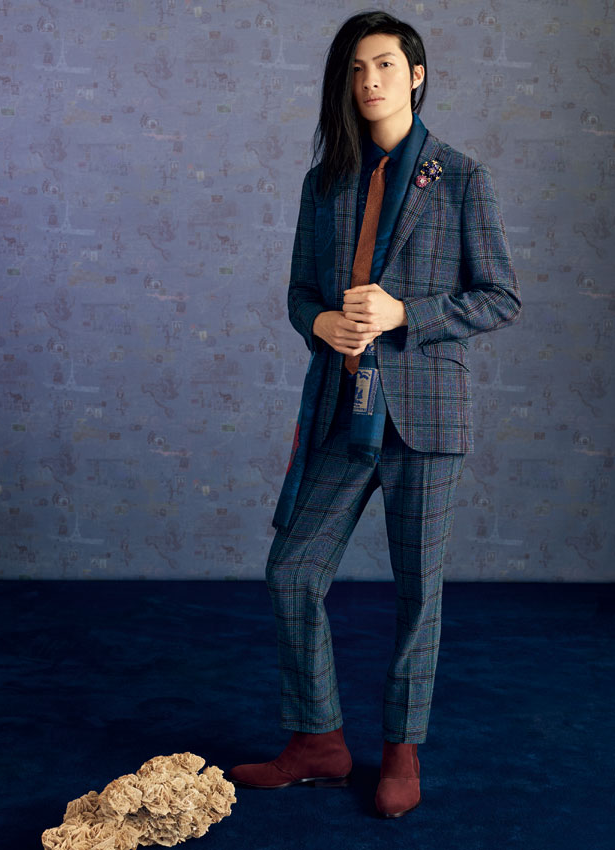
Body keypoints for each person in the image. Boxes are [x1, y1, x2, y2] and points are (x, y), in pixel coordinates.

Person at [228, 10, 521, 818]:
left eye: (385, 64)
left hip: (425, 417)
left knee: (417, 596)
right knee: (292, 573)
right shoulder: (324, 183)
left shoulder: (460, 177)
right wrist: (321, 322)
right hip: (341, 408)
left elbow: (500, 296)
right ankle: (317, 742)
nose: (370, 81)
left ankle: (400, 753)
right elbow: (300, 293)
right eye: (356, 68)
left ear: (416, 75)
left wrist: (405, 315)